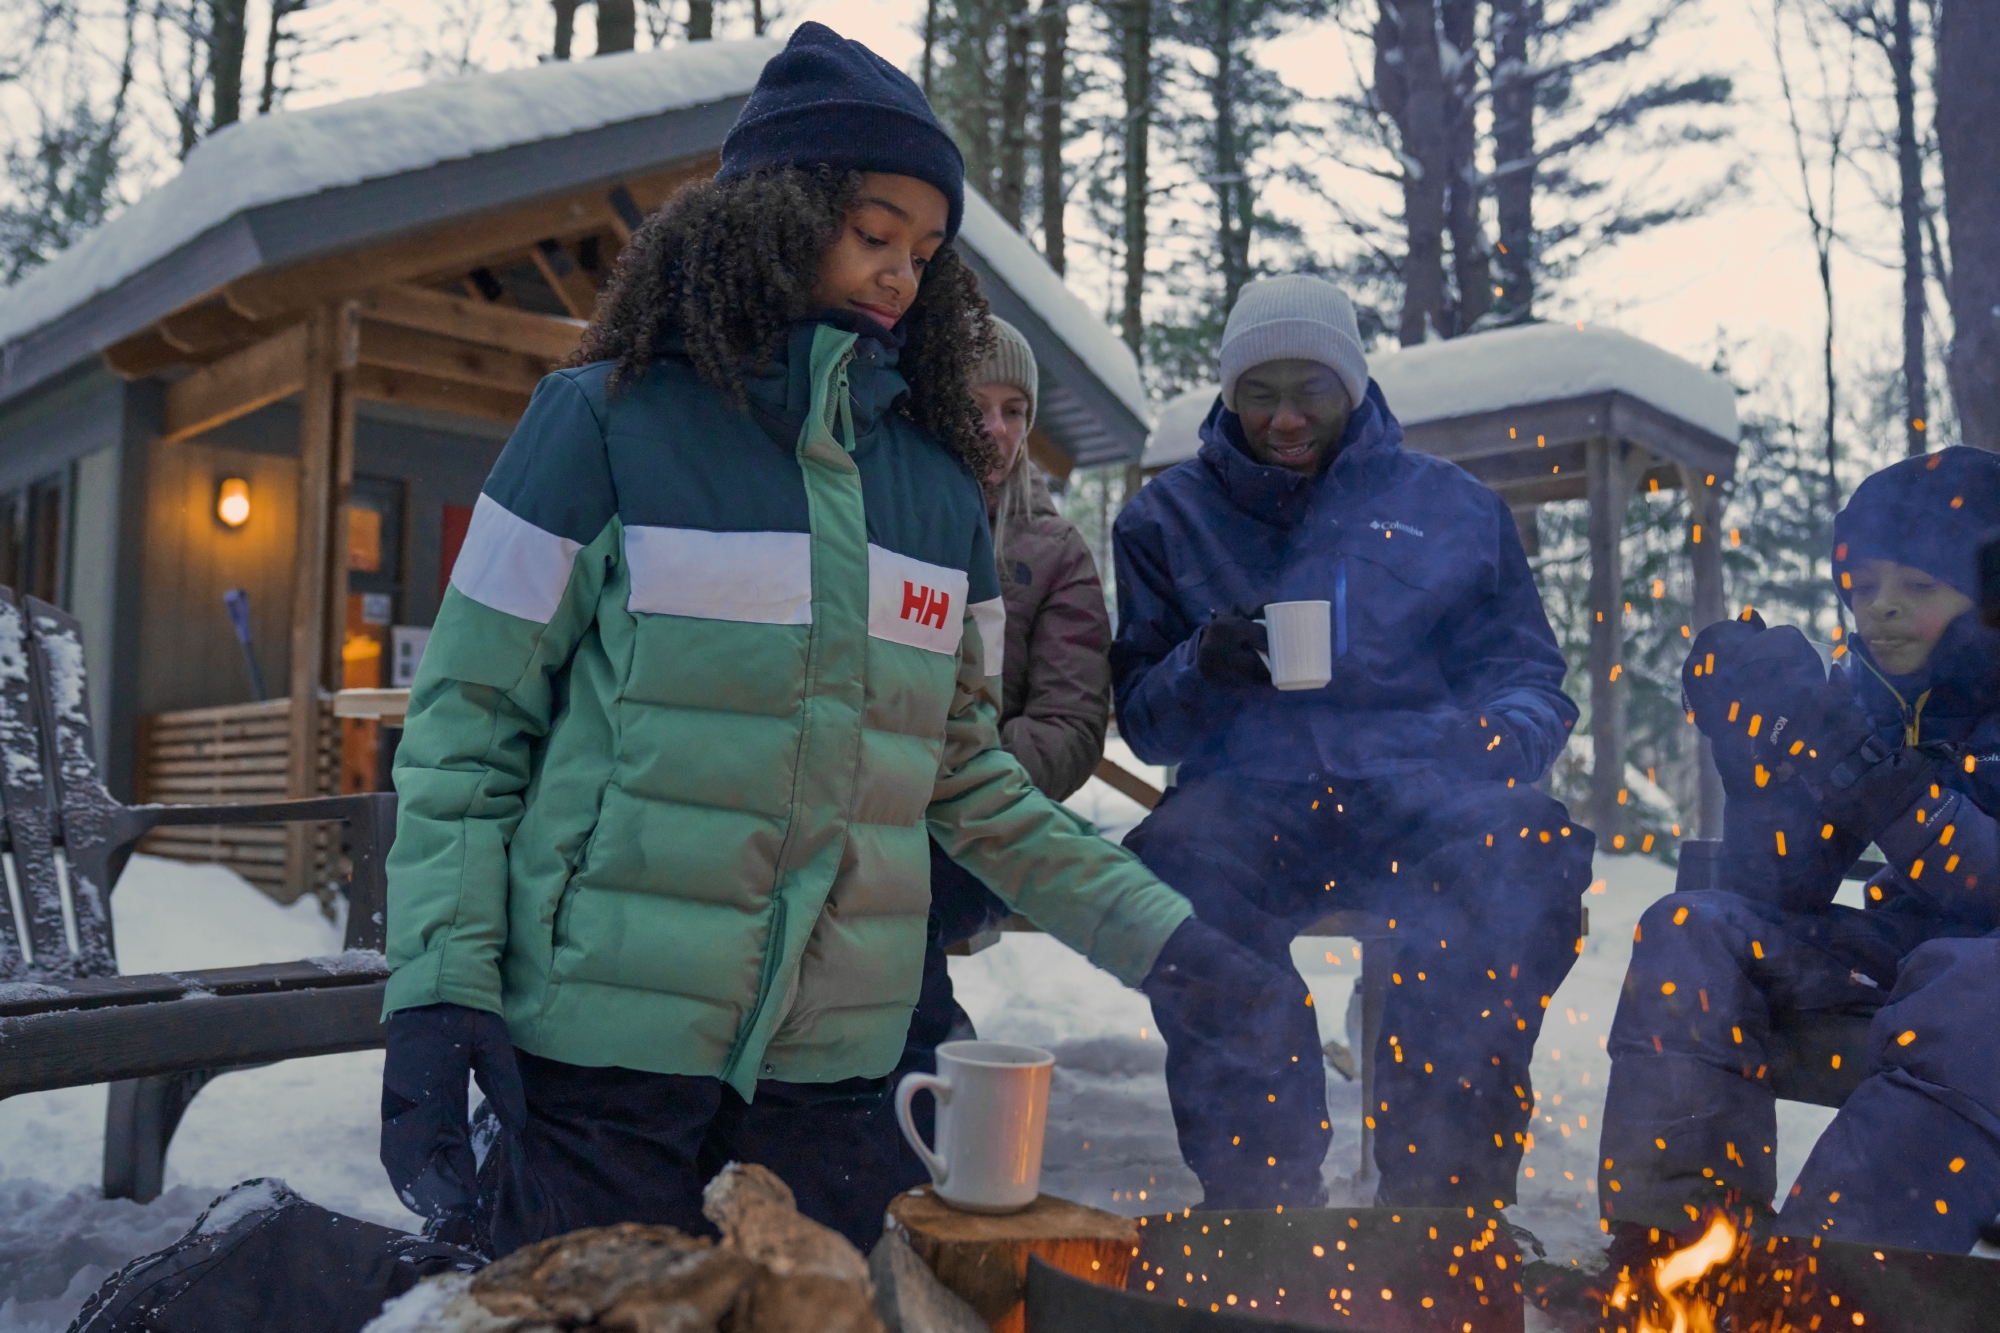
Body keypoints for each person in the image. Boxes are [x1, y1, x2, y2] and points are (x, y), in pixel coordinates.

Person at [376, 23, 1273, 1259]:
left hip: (832, 1075)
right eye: (872, 231)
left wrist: (1167, 942)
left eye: (925, 250)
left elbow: (963, 780)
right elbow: (467, 730)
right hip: (603, 1055)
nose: (900, 272)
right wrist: (436, 987)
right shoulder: (601, 424)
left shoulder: (934, 492)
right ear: (775, 214)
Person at [1110, 274, 1593, 1211]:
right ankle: (1260, 1197)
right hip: (1246, 804)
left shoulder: (1454, 508)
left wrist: (1494, 738)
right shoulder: (1166, 518)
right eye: (1260, 394)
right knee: (1172, 869)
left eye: (1312, 391)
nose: (1285, 418)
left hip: (1421, 794)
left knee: (1525, 852)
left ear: (1355, 386)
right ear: (1229, 394)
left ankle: (1443, 1200)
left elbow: (1532, 682)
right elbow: (1142, 721)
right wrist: (1200, 665)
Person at [1600, 445, 2000, 1253]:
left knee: (1970, 988)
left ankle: (1829, 1281)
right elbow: (1784, 891)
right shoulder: (1867, 694)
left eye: (1919, 586)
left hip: (1980, 984)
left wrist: (1873, 778)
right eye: (1864, 586)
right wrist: (1761, 756)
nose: (1881, 608)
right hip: (1903, 953)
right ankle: (1682, 1254)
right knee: (1694, 930)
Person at [899, 316, 1114, 1067]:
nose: (996, 429)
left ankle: (934, 1079)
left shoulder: (1053, 552)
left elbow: (1069, 727)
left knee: (893, 898)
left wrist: (953, 775)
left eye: (1014, 410)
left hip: (990, 825)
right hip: (869, 806)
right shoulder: (881, 516)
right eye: (975, 406)